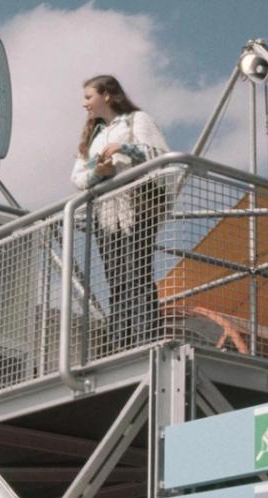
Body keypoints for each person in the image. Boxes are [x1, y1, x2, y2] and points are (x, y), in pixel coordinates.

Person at [71, 75, 170, 351]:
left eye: (88, 97)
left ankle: (145, 340)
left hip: (136, 205)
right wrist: (99, 172)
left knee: (136, 271)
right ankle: (120, 344)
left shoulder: (137, 120)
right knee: (115, 278)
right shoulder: (93, 136)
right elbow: (78, 177)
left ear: (107, 95)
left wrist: (124, 149)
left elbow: (159, 154)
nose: (84, 104)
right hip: (106, 213)